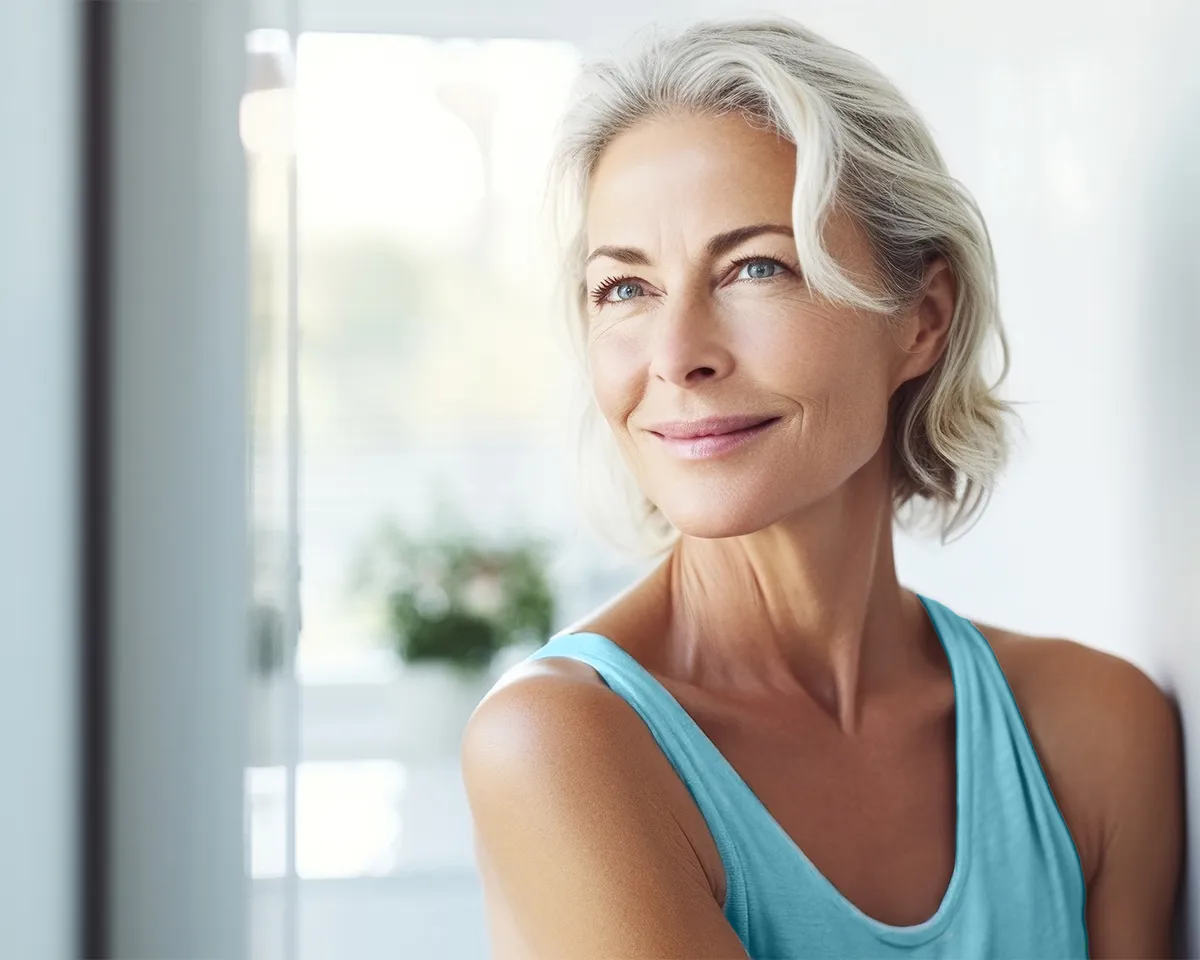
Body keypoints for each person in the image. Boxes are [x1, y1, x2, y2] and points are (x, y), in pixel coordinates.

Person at [460, 17, 1183, 959]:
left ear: (921, 321)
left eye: (757, 267)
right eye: (625, 289)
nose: (676, 358)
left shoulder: (1091, 729)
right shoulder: (562, 745)